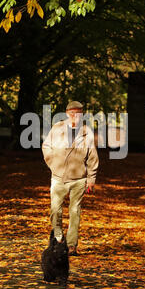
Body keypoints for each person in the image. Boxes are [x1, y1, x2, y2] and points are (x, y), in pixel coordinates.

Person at [42, 101, 99, 256]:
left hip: (79, 179)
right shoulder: (57, 128)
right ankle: (59, 239)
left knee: (75, 212)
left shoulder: (86, 132)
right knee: (55, 210)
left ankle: (72, 245)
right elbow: (46, 146)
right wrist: (53, 163)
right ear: (67, 113)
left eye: (79, 113)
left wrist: (91, 178)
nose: (76, 116)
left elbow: (92, 157)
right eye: (73, 112)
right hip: (58, 177)